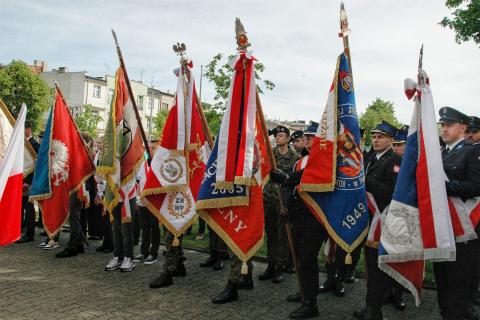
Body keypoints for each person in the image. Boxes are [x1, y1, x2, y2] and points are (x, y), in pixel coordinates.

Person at [270, 122, 329, 319]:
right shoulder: (301, 160)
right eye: (306, 137)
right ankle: (305, 292)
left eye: (312, 138)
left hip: (316, 219)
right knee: (298, 258)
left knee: (307, 259)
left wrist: (286, 177)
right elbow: (293, 188)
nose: (307, 140)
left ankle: (311, 304)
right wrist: (286, 207)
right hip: (299, 215)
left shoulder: (324, 160)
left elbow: (306, 177)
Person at [435, 107, 480, 320]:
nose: (444, 129)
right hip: (442, 226)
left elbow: (475, 186)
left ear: (462, 128)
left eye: (449, 125)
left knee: (457, 283)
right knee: (442, 280)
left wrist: (441, 186)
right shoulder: (440, 152)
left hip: (463, 230)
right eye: (442, 125)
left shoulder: (472, 151)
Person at [353, 120, 401, 320]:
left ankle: (374, 311)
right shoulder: (370, 157)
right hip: (366, 219)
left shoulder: (395, 161)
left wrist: (364, 178)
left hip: (381, 221)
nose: (376, 139)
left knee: (376, 269)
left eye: (381, 136)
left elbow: (388, 193)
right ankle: (369, 307)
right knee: (369, 268)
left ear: (391, 139)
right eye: (374, 136)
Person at [259, 125, 301, 284]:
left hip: (284, 202)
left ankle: (279, 267)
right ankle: (270, 265)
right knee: (270, 235)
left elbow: (295, 182)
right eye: (276, 136)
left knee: (282, 236)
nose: (278, 138)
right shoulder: (270, 155)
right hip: (269, 200)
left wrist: (288, 204)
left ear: (288, 138)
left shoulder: (295, 157)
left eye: (281, 135)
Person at [16, 122, 40, 243]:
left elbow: (35, 165)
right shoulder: (23, 143)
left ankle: (30, 234)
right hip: (21, 180)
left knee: (29, 208)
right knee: (21, 207)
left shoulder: (34, 144)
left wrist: (29, 182)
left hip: (29, 183)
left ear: (28, 129)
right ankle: (20, 229)